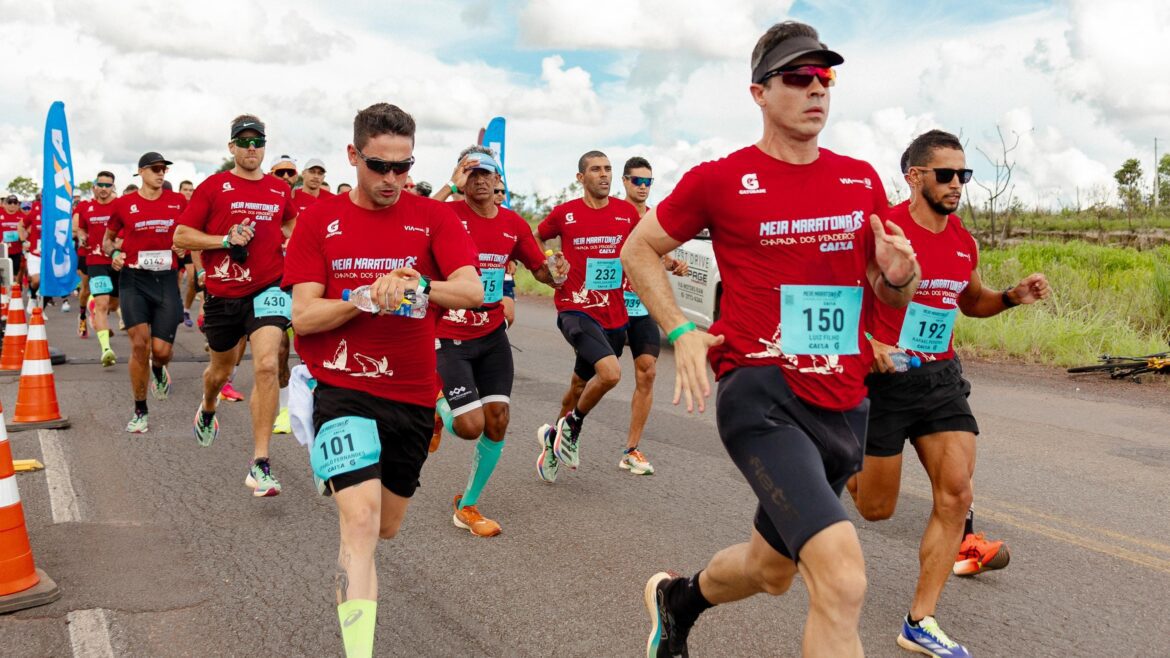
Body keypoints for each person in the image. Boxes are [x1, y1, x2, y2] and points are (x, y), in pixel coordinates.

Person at [621, 21, 920, 657]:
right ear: (759, 92)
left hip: (844, 403)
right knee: (841, 579)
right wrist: (680, 328)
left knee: (772, 571)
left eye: (825, 77)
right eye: (798, 77)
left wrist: (900, 277)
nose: (817, 89)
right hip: (762, 394)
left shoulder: (861, 179)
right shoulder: (721, 179)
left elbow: (886, 287)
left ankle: (679, 600)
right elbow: (638, 247)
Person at [283, 102, 481, 658]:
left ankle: (359, 470)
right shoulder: (320, 220)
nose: (393, 179)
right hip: (343, 390)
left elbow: (471, 290)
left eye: (404, 166)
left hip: (414, 398)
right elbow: (304, 315)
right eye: (379, 166)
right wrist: (364, 296)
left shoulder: (434, 219)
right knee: (362, 523)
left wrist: (415, 287)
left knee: (388, 526)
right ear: (353, 156)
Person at [844, 129, 1050, 657]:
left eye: (965, 175)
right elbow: (835, 295)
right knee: (875, 509)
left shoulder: (963, 240)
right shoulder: (880, 230)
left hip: (939, 380)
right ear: (914, 176)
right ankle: (837, 457)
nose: (958, 184)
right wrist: (867, 342)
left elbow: (971, 300)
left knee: (956, 493)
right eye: (946, 174)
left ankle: (920, 620)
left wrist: (1011, 296)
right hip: (882, 380)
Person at [432, 149, 566, 536]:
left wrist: (554, 274)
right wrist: (447, 186)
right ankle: (437, 408)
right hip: (450, 332)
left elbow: (540, 269)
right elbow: (407, 219)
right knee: (470, 425)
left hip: (491, 335)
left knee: (498, 421)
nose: (478, 179)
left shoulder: (513, 224)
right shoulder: (445, 215)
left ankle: (468, 505)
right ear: (461, 177)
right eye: (469, 172)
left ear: (496, 179)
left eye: (485, 172)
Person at [174, 114, 298, 497]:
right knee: (220, 370)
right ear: (231, 148)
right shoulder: (214, 186)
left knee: (265, 363)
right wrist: (225, 240)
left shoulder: (279, 190)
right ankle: (209, 404)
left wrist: (297, 253)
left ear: (264, 146)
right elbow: (181, 236)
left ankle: (260, 463)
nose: (250, 148)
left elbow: (291, 227)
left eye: (257, 142)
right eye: (242, 142)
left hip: (268, 287)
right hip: (225, 294)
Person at [534, 151, 641, 482]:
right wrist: (550, 261)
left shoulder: (626, 213)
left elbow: (643, 248)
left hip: (614, 315)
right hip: (575, 308)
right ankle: (573, 427)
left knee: (580, 384)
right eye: (596, 170)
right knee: (610, 374)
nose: (605, 175)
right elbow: (536, 237)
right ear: (581, 178)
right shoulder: (565, 215)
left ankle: (553, 440)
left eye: (608, 169)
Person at [104, 152, 187, 432]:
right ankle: (140, 410)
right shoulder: (124, 204)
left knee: (161, 351)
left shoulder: (178, 201)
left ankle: (159, 368)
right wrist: (114, 252)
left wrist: (185, 247)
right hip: (133, 279)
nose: (161, 173)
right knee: (140, 344)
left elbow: (189, 233)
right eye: (155, 169)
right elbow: (108, 241)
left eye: (163, 169)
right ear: (140, 172)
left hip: (166, 279)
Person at [76, 170, 122, 365]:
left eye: (107, 185)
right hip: (95, 260)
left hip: (117, 261)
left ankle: (92, 307)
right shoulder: (86, 207)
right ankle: (106, 350)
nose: (103, 189)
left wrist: (120, 243)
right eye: (100, 185)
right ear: (94, 186)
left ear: (113, 186)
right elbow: (81, 227)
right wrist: (81, 236)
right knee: (102, 305)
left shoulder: (119, 206)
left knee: (113, 305)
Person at [0, 195, 25, 291]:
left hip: (16, 251)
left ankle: (14, 295)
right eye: (10, 202)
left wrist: (23, 238)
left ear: (18, 205)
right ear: (4, 204)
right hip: (2, 250)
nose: (12, 205)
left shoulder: (22, 217)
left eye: (15, 203)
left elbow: (27, 231)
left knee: (14, 274)